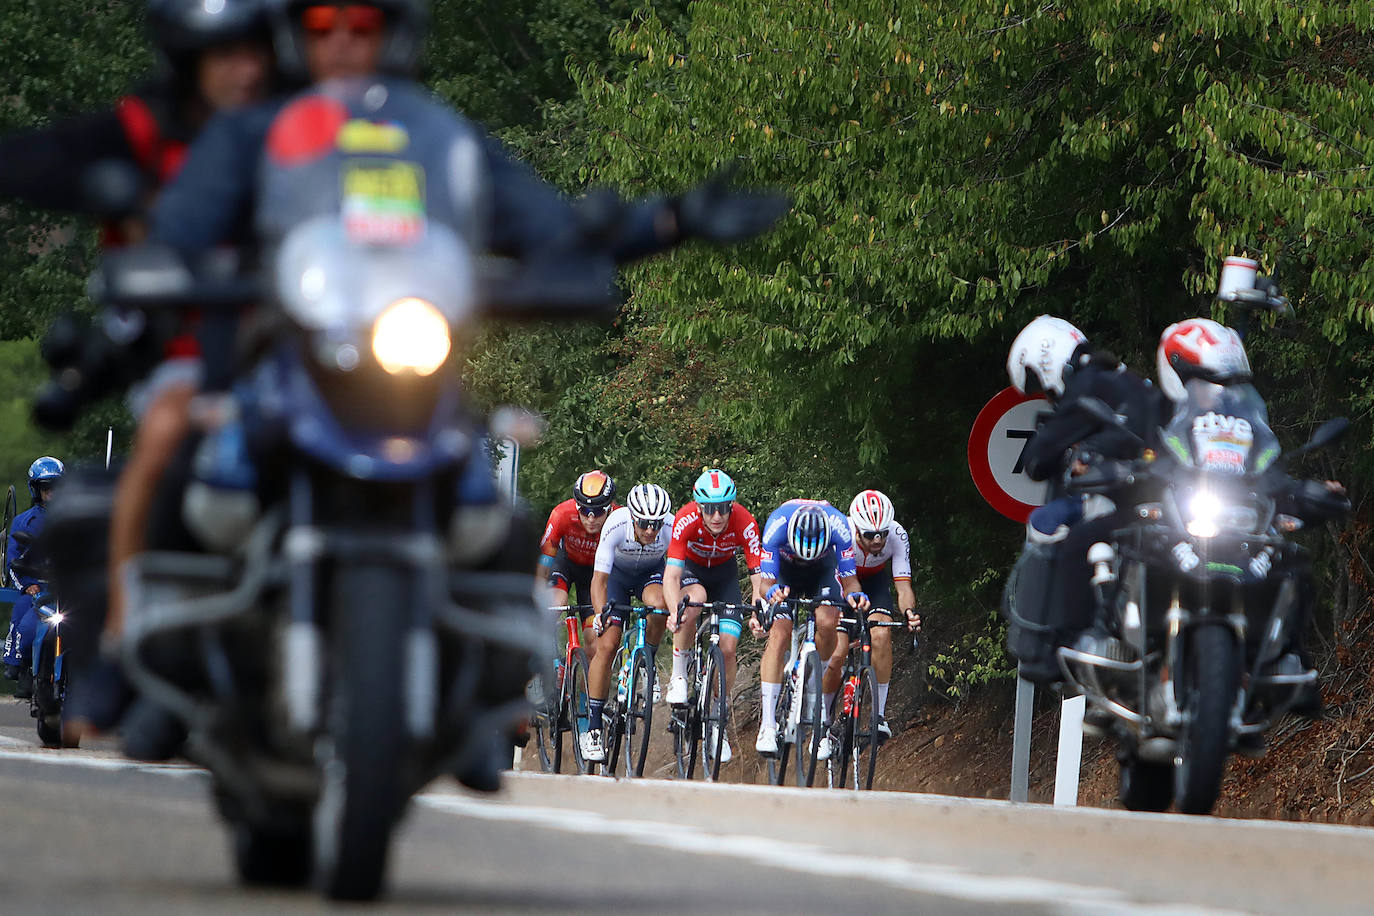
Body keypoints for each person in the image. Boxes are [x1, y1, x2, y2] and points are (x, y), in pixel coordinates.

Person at [1002, 315, 1167, 682]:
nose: (1048, 395)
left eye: (1039, 384)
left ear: (1044, 361)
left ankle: (1062, 642)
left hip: (1121, 500)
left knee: (1053, 527)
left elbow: (1038, 458)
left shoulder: (1088, 384)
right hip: (1165, 499)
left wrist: (1068, 453)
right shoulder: (1131, 379)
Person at [749, 499, 868, 759]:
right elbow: (764, 584)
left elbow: (850, 582)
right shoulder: (776, 525)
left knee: (828, 621)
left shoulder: (839, 527)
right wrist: (773, 593)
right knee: (779, 633)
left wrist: (856, 597)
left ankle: (817, 680)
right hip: (785, 571)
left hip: (822, 571)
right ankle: (767, 725)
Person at [663, 469, 764, 764]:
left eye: (722, 508)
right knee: (693, 603)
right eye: (709, 509)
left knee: (729, 647)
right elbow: (671, 576)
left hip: (725, 576)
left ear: (731, 506)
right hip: (693, 573)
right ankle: (680, 674)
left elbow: (758, 574)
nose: (716, 516)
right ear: (699, 507)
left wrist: (758, 607)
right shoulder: (686, 518)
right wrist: (674, 611)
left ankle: (717, 716)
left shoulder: (744, 521)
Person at [579, 483, 673, 762]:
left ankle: (646, 663)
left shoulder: (670, 527)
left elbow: (678, 571)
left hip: (651, 575)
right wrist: (600, 615)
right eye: (644, 523)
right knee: (607, 644)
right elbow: (599, 580)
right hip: (617, 578)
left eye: (656, 524)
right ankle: (594, 729)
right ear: (632, 517)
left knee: (660, 606)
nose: (650, 530)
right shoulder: (615, 525)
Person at [845, 489, 922, 739]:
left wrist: (910, 612)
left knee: (881, 633)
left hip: (875, 582)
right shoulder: (842, 533)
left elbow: (903, 586)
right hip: (842, 580)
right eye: (870, 535)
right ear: (856, 529)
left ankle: (878, 716)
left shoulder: (897, 535)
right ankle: (822, 719)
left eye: (882, 534)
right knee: (835, 646)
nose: (878, 540)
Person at [2, 458, 65, 699]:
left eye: (56, 488)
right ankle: (22, 666)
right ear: (36, 490)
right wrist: (29, 586)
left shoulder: (73, 518)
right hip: (38, 590)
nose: (51, 494)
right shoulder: (24, 522)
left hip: (69, 589)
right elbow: (13, 561)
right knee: (27, 626)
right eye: (46, 488)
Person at [537, 470, 617, 633]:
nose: (591, 519)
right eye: (585, 511)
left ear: (610, 509)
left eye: (599, 511)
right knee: (555, 602)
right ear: (577, 507)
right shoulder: (562, 514)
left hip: (596, 573)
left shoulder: (618, 518)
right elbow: (545, 559)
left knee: (593, 641)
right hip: (565, 564)